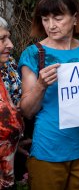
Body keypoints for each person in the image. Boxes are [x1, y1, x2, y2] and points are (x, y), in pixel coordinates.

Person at [18, 0, 79, 189]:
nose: (51, 25)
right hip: (49, 147)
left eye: (58, 18)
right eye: (45, 19)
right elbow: (26, 110)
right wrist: (40, 85)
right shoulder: (34, 54)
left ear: (75, 18)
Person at [0, 17, 24, 189]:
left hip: (8, 168)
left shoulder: (10, 66)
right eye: (2, 39)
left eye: (8, 37)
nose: (10, 44)